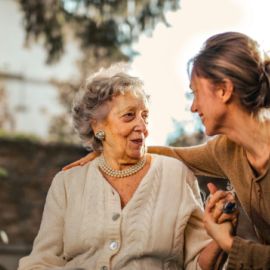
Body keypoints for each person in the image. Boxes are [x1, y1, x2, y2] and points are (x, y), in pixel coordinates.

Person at [63, 32, 270, 270]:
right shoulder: (226, 150)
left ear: (224, 90)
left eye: (196, 92)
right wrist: (112, 150)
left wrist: (227, 242)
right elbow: (175, 155)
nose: (193, 107)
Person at [18, 63, 231, 270]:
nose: (143, 127)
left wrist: (220, 240)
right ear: (98, 125)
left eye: (145, 116)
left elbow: (198, 264)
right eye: (129, 115)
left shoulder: (177, 175)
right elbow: (40, 263)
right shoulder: (67, 183)